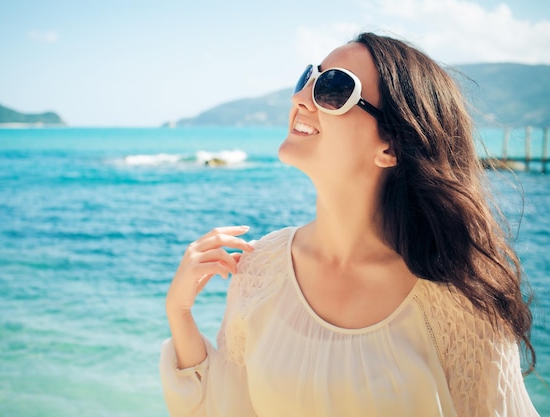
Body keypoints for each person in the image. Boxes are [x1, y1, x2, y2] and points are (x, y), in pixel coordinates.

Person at [159, 32, 540, 416]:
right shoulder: (260, 269)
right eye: (307, 78)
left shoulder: (461, 302)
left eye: (333, 87)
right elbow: (232, 406)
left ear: (389, 147)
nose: (299, 98)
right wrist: (180, 314)